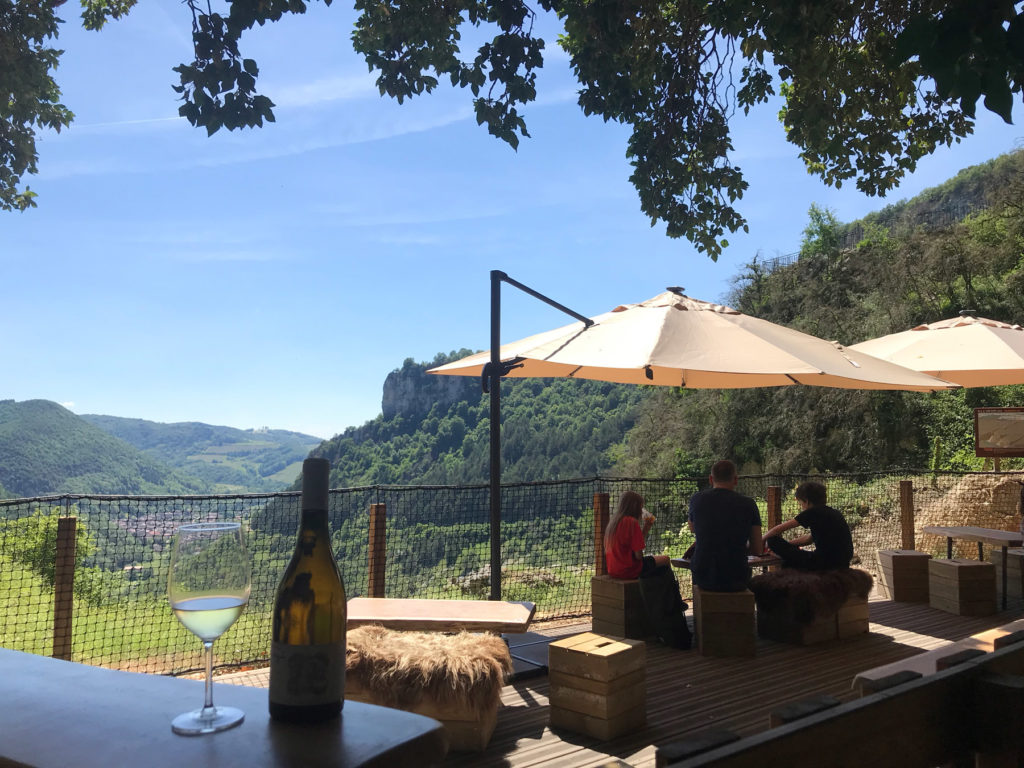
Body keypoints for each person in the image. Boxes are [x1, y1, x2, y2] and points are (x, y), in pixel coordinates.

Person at [687, 460, 763, 592]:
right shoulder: (749, 504)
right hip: (736, 577)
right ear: (735, 480)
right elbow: (757, 549)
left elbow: (693, 528)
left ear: (711, 479)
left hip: (704, 575)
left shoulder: (697, 499)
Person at [763, 481, 853, 571]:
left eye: (801, 503)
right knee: (791, 558)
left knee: (772, 540)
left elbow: (777, 530)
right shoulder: (834, 513)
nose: (802, 507)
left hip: (823, 563)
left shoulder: (812, 512)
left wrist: (762, 541)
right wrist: (788, 545)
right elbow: (809, 539)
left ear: (806, 501)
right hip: (843, 562)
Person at [605, 490, 670, 579]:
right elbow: (638, 556)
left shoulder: (614, 522)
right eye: (641, 507)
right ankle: (665, 591)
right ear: (635, 507)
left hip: (613, 570)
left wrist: (646, 527)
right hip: (629, 570)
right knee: (665, 559)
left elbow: (633, 545)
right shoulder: (632, 522)